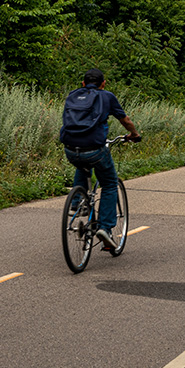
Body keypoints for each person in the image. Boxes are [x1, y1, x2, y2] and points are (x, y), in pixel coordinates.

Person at [59, 68, 140, 251]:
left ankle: (77, 204)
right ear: (103, 84)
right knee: (110, 183)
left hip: (71, 150)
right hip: (95, 150)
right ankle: (105, 228)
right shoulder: (107, 96)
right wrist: (134, 134)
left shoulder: (72, 95)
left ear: (83, 83)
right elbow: (125, 120)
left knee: (82, 164)